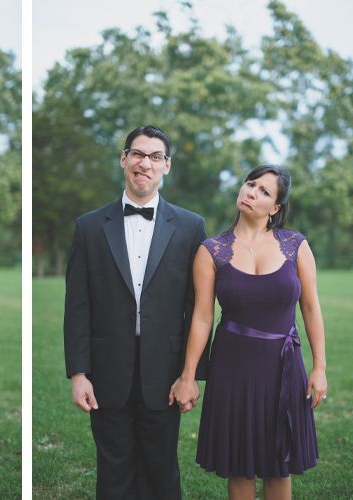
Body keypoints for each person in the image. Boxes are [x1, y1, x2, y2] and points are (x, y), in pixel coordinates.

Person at [63, 125, 207, 499]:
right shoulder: (89, 227)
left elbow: (199, 308)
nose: (145, 163)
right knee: (113, 473)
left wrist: (190, 375)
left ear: (167, 166)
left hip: (166, 371)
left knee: (162, 472)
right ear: (124, 159)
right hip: (107, 369)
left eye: (155, 156)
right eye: (138, 154)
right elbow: (77, 305)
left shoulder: (191, 227)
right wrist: (78, 373)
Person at [171, 165, 327, 500]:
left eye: (264, 191)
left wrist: (320, 368)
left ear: (275, 208)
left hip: (283, 366)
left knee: (278, 464)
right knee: (239, 465)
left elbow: (311, 308)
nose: (251, 192)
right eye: (250, 184)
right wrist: (188, 375)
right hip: (232, 368)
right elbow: (201, 316)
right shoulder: (211, 250)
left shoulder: (295, 245)